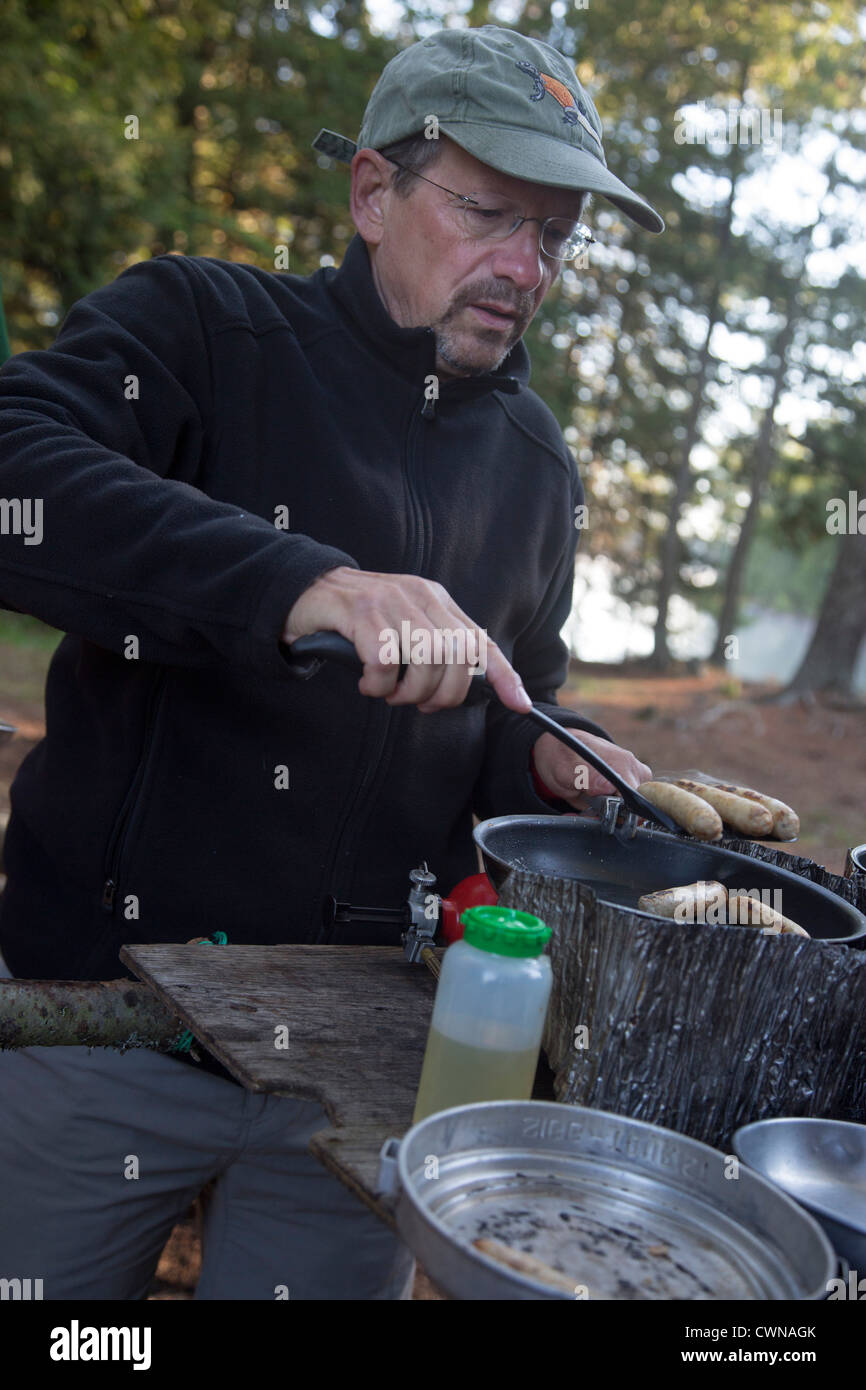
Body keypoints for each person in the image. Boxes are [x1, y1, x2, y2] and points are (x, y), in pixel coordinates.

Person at [0, 25, 661, 1299]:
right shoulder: (205, 326)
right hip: (103, 1018)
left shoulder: (535, 467)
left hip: (367, 1054)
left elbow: (506, 697)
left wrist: (550, 758)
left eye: (556, 235)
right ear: (371, 191)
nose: (522, 266)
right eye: (488, 211)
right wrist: (302, 583)